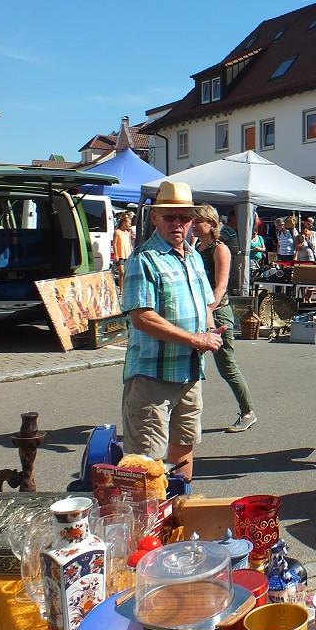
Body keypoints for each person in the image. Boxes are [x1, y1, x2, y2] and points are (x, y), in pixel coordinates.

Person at [120, 182, 224, 482]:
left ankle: (179, 513)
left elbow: (206, 302)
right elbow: (143, 318)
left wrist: (208, 330)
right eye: (170, 217)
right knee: (145, 464)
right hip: (153, 377)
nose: (178, 223)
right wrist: (195, 339)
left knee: (183, 452)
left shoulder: (191, 256)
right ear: (155, 218)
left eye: (185, 217)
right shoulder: (145, 258)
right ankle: (148, 526)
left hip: (189, 374)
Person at [193, 204, 258, 432]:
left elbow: (221, 286)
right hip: (200, 312)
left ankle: (248, 411)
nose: (192, 225)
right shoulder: (196, 247)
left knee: (226, 366)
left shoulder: (220, 249)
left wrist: (209, 309)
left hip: (218, 313)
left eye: (197, 221)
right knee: (190, 364)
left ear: (211, 224)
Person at [112, 213, 134, 292]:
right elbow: (114, 243)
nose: (129, 225)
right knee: (122, 272)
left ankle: (125, 288)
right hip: (120, 254)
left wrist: (132, 253)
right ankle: (121, 289)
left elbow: (130, 244)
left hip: (127, 254)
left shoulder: (128, 233)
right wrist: (116, 255)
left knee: (127, 273)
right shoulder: (117, 232)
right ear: (124, 223)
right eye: (129, 223)